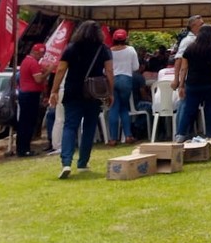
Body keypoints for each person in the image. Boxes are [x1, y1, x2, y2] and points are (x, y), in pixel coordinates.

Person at [49, 20, 114, 179]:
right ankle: (83, 162)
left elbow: (61, 70)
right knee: (90, 127)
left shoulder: (71, 48)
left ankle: (66, 162)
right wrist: (110, 93)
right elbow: (110, 71)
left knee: (70, 126)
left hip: (73, 92)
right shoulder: (103, 49)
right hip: (93, 93)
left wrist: (54, 91)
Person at [174, 24, 211, 142]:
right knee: (210, 110)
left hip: (193, 84)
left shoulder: (190, 48)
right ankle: (210, 135)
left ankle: (181, 134)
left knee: (189, 110)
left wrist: (181, 85)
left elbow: (184, 68)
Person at [16, 43, 50, 157]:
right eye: (41, 54)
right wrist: (48, 71)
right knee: (28, 122)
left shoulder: (26, 61)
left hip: (26, 94)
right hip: (30, 95)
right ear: (36, 52)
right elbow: (38, 79)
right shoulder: (32, 63)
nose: (41, 56)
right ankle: (24, 149)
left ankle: (22, 147)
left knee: (25, 122)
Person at [107, 29, 140, 146]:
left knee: (113, 107)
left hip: (111, 79)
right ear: (125, 39)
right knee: (124, 108)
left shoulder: (109, 51)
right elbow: (136, 67)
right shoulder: (130, 50)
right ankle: (128, 135)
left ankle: (113, 139)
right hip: (126, 79)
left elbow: (104, 69)